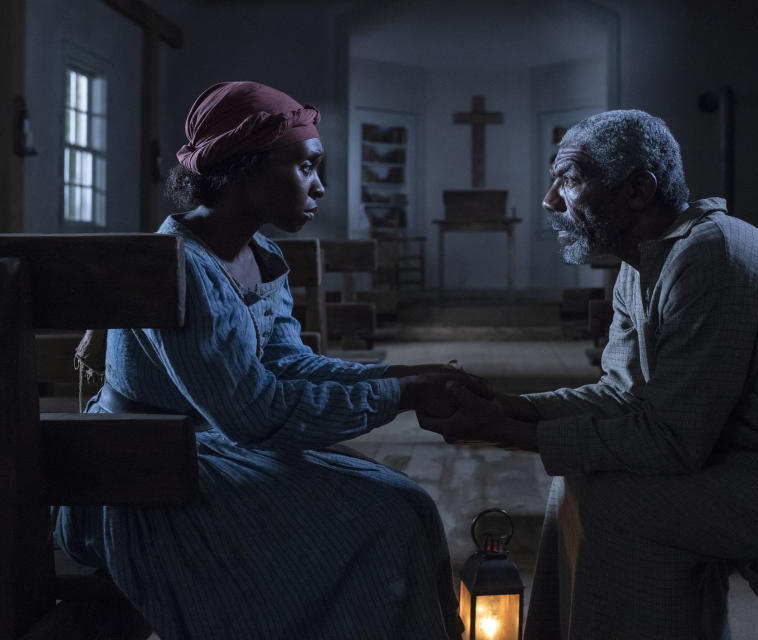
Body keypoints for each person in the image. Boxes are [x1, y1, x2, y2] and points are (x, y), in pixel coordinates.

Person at [418, 110, 758, 639]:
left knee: (618, 503)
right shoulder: (646, 266)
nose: (550, 202)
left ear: (638, 189)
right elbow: (620, 394)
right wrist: (502, 406)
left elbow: (673, 442)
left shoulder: (710, 258)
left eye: (568, 179)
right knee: (579, 475)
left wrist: (499, 431)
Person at [54, 80, 476, 640]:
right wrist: (401, 395)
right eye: (305, 167)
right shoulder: (181, 267)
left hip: (207, 450)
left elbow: (288, 365)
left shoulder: (261, 256)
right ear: (243, 169)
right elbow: (255, 414)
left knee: (411, 505)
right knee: (384, 518)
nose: (320, 186)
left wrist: (402, 376)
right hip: (143, 479)